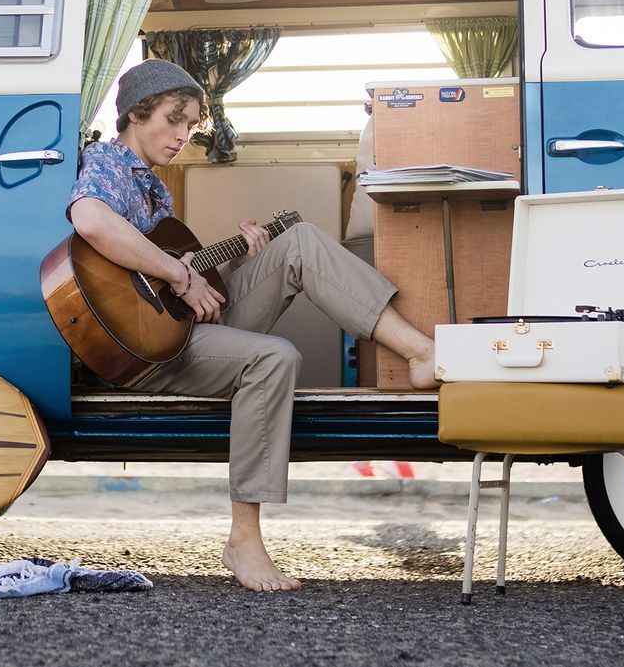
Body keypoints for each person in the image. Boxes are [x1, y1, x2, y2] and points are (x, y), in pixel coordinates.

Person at [67, 58, 439, 592]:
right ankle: (243, 539)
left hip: (179, 326)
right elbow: (91, 220)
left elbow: (184, 282)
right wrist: (179, 274)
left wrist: (235, 263)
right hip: (142, 347)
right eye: (174, 119)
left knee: (301, 241)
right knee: (274, 355)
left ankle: (420, 352)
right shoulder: (106, 162)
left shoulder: (155, 190)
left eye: (191, 126)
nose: (182, 135)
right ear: (135, 112)